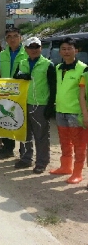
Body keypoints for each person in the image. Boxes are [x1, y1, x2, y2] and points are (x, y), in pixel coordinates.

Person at [13, 37, 56, 174]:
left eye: (36, 47)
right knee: (24, 133)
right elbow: (15, 78)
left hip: (40, 104)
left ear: (40, 48)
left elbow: (53, 87)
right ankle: (26, 159)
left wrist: (51, 105)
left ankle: (42, 162)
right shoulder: (22, 62)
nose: (33, 50)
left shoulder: (48, 64)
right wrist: (21, 76)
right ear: (25, 49)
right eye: (30, 47)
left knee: (41, 135)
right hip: (23, 102)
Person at [50, 37, 88, 184]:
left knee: (79, 144)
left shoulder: (83, 69)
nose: (66, 52)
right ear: (59, 52)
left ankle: (78, 173)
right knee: (65, 142)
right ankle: (66, 167)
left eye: (69, 48)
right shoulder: (58, 68)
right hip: (60, 110)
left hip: (76, 113)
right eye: (63, 49)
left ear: (76, 50)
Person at [0, 28, 28, 159]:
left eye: (15, 36)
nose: (12, 39)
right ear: (6, 39)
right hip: (4, 92)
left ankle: (24, 152)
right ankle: (8, 148)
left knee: (22, 122)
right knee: (6, 121)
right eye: (9, 36)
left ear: (20, 38)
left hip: (21, 93)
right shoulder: (2, 54)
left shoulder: (26, 53)